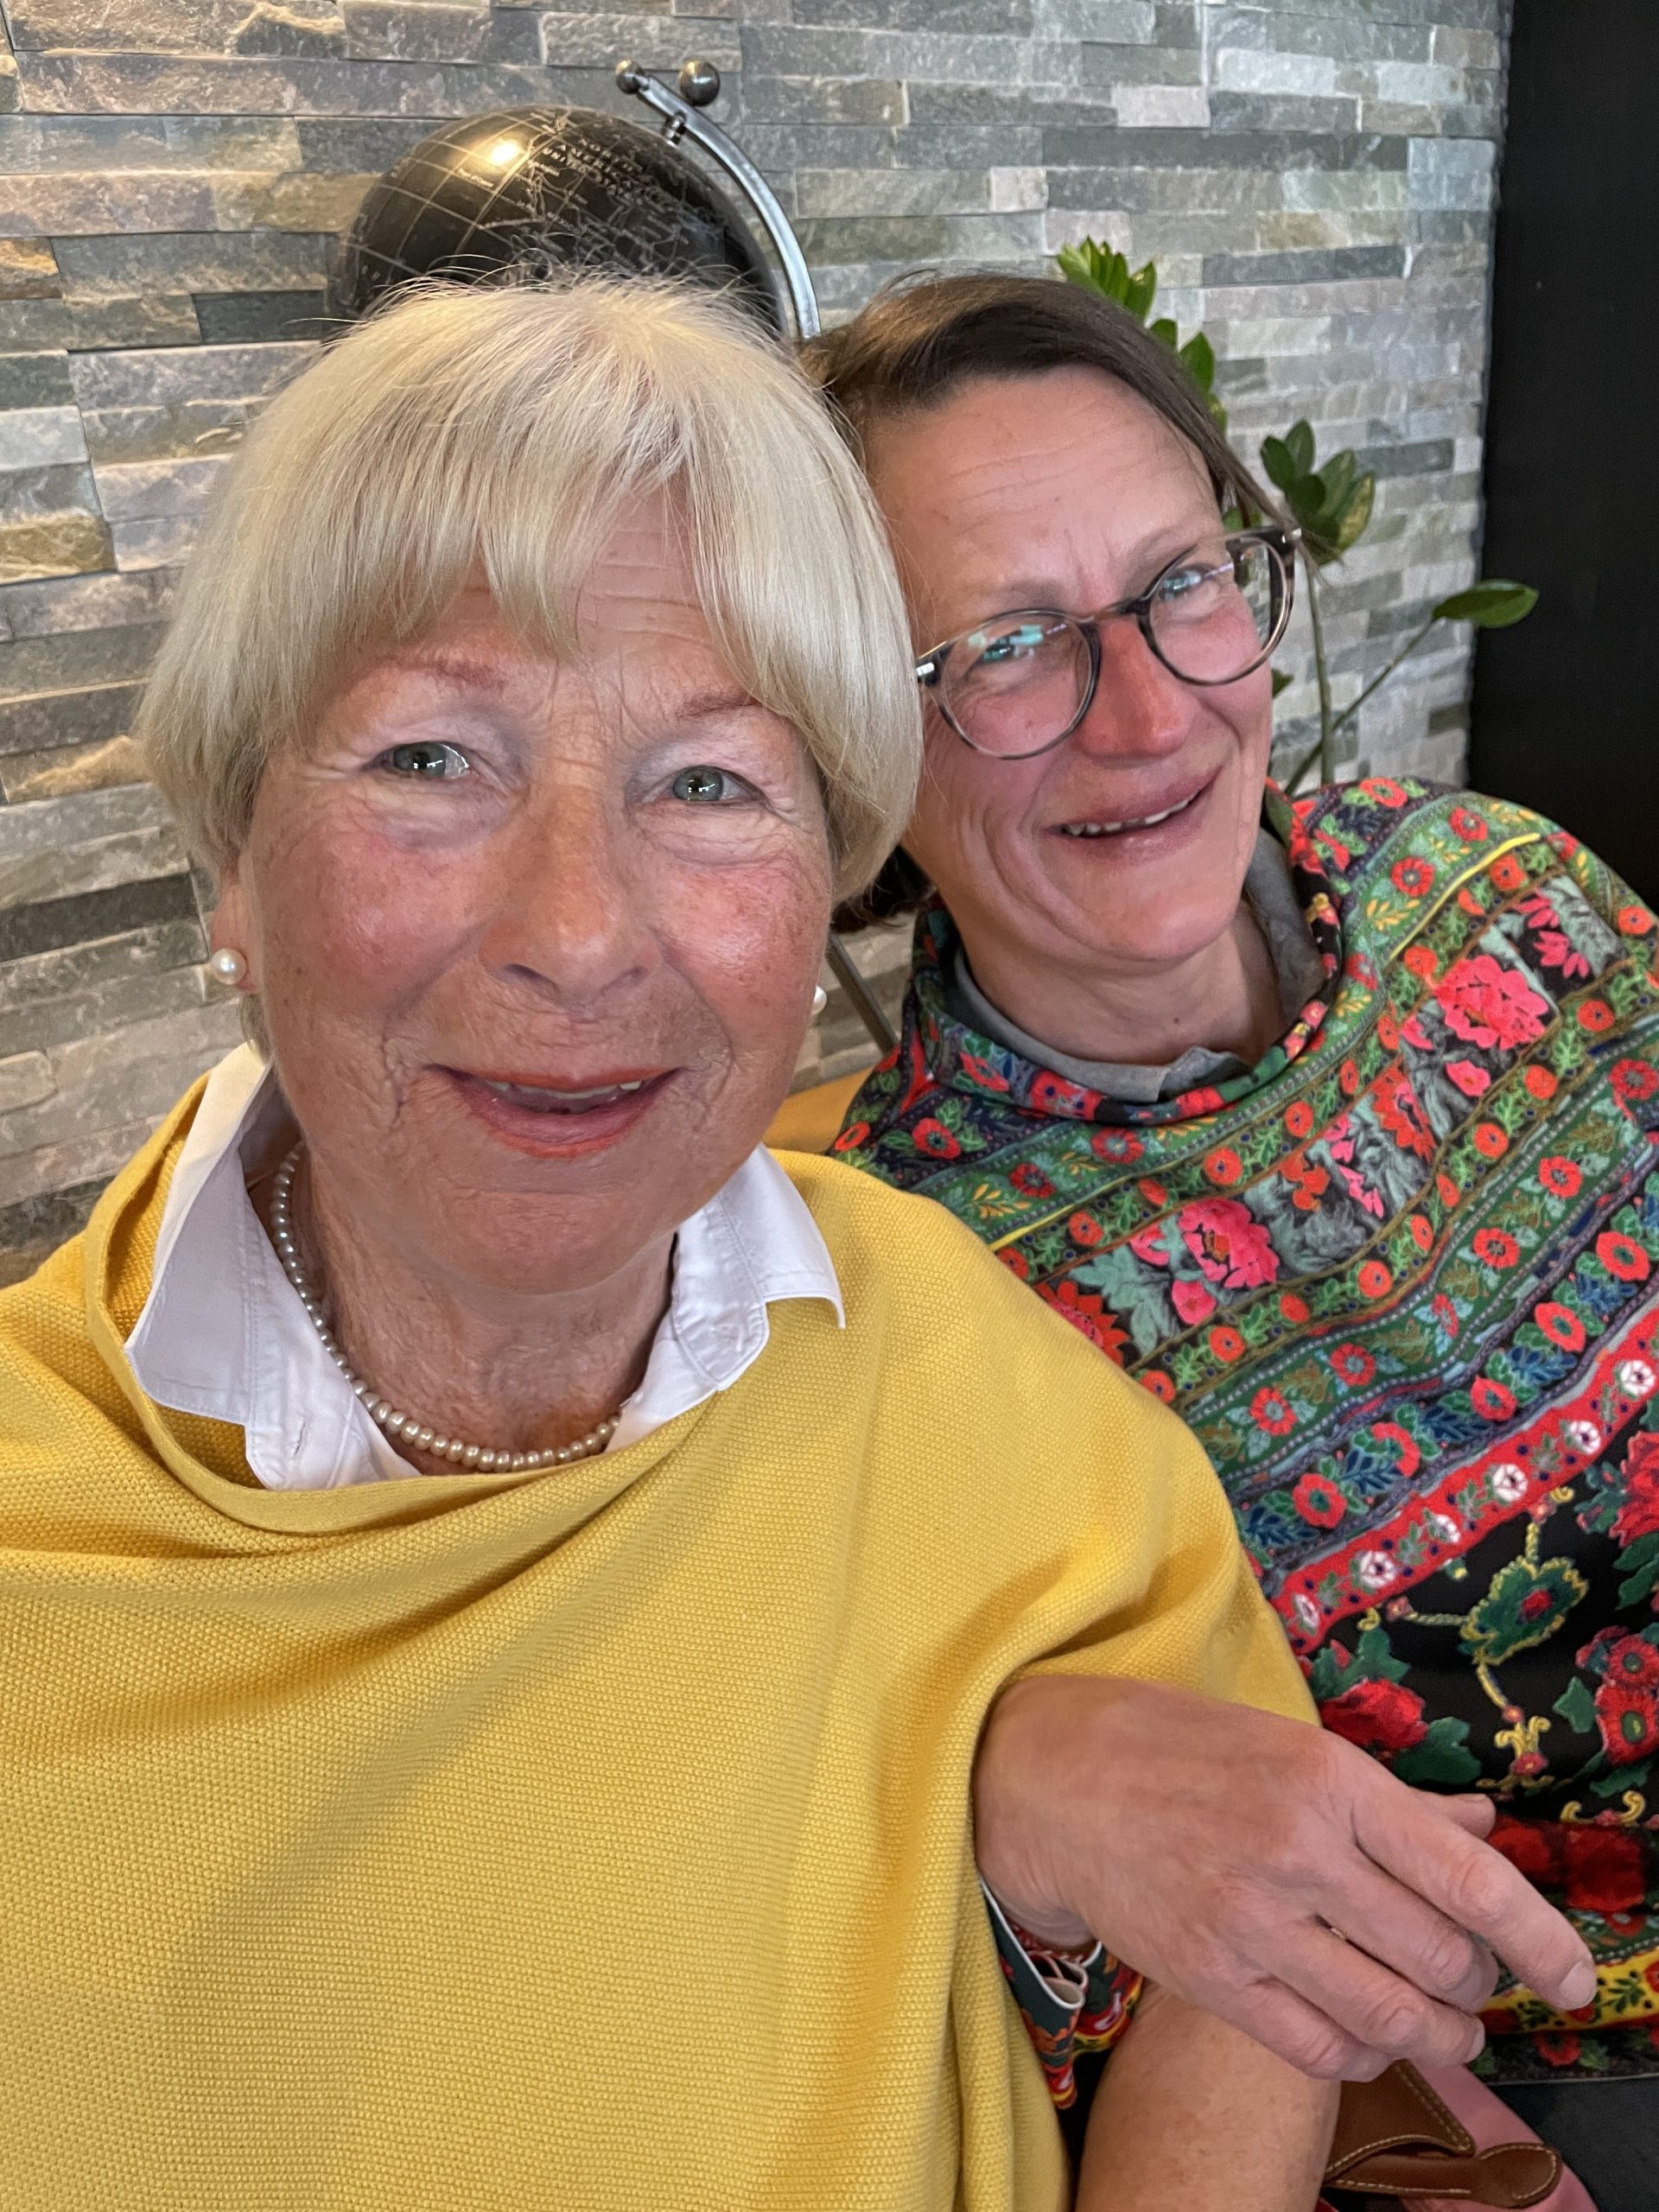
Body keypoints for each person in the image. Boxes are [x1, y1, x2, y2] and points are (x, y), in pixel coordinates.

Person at [0, 277, 1338, 2210]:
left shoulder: (959, 1359)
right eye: (430, 758)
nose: (578, 931)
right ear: (232, 857)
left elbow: (1270, 1918)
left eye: (709, 782)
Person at [807, 271, 1659, 2207]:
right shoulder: (917, 1287)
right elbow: (1119, 1937)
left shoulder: (1497, 890)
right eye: (1007, 646)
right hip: (1523, 2047)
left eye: (1182, 584)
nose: (1151, 714)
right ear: (853, 735)